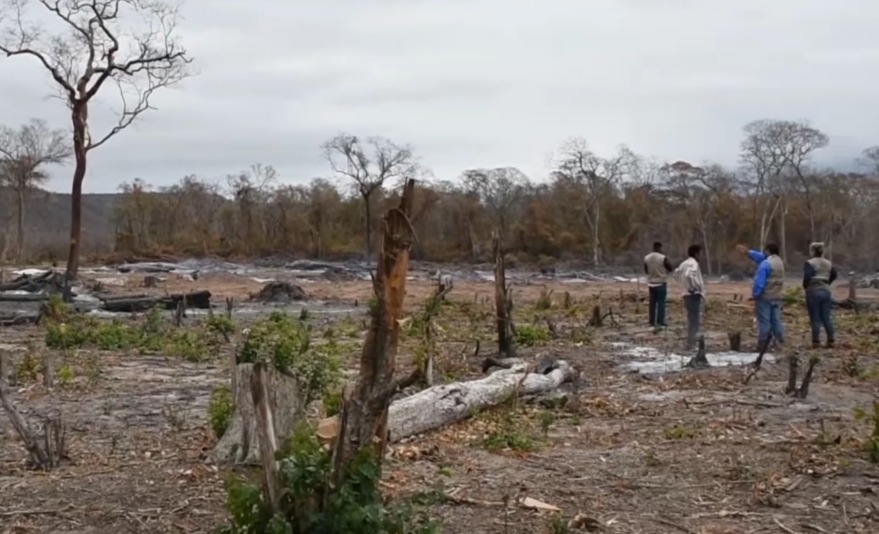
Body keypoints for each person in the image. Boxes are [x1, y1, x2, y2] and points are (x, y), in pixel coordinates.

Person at [736, 243, 785, 354]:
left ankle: (762, 345)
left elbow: (760, 283)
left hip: (765, 297)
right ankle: (780, 343)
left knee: (764, 322)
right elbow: (761, 257)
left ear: (768, 251)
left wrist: (755, 295)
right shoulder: (779, 262)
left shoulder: (765, 265)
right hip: (777, 296)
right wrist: (749, 252)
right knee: (776, 321)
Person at [803, 242, 837, 348]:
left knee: (815, 318)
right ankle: (831, 340)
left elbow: (807, 277)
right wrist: (827, 282)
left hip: (813, 291)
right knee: (827, 317)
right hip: (826, 291)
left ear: (812, 251)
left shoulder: (810, 263)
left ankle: (816, 342)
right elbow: (834, 274)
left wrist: (806, 287)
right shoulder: (828, 263)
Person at [673, 244, 705, 350]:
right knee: (694, 319)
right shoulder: (693, 263)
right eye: (700, 253)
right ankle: (692, 343)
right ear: (696, 254)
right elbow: (689, 275)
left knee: (691, 318)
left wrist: (682, 285)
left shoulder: (683, 263)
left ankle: (690, 342)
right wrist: (693, 287)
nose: (701, 256)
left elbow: (676, 274)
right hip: (693, 294)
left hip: (685, 294)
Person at [644, 241, 674, 328]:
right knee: (661, 303)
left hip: (651, 283)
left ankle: (651, 321)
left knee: (652, 304)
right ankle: (660, 321)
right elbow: (670, 268)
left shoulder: (647, 258)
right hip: (661, 282)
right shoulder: (663, 258)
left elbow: (646, 270)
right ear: (659, 248)